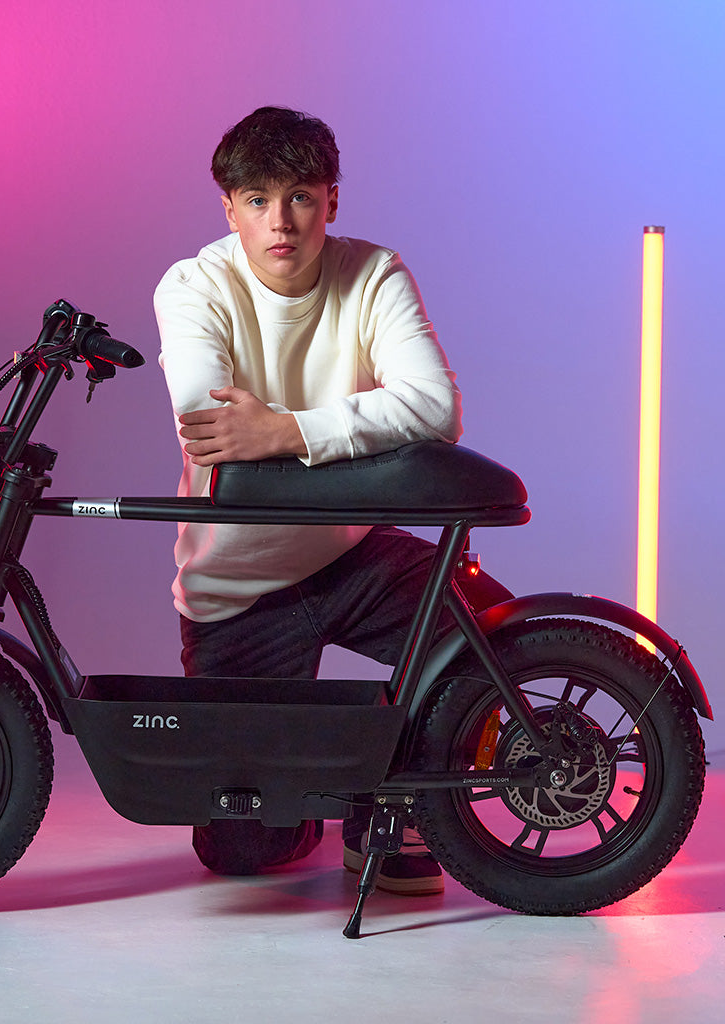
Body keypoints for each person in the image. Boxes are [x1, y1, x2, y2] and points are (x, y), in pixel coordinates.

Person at [153, 106, 511, 895]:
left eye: (301, 197)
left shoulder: (373, 272)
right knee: (243, 851)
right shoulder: (192, 286)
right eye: (257, 199)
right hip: (237, 587)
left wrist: (283, 431)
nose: (280, 222)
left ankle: (388, 798)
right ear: (229, 208)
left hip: (351, 553)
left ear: (332, 200)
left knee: (491, 635)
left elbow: (436, 410)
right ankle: (319, 789)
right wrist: (356, 437)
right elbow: (211, 431)